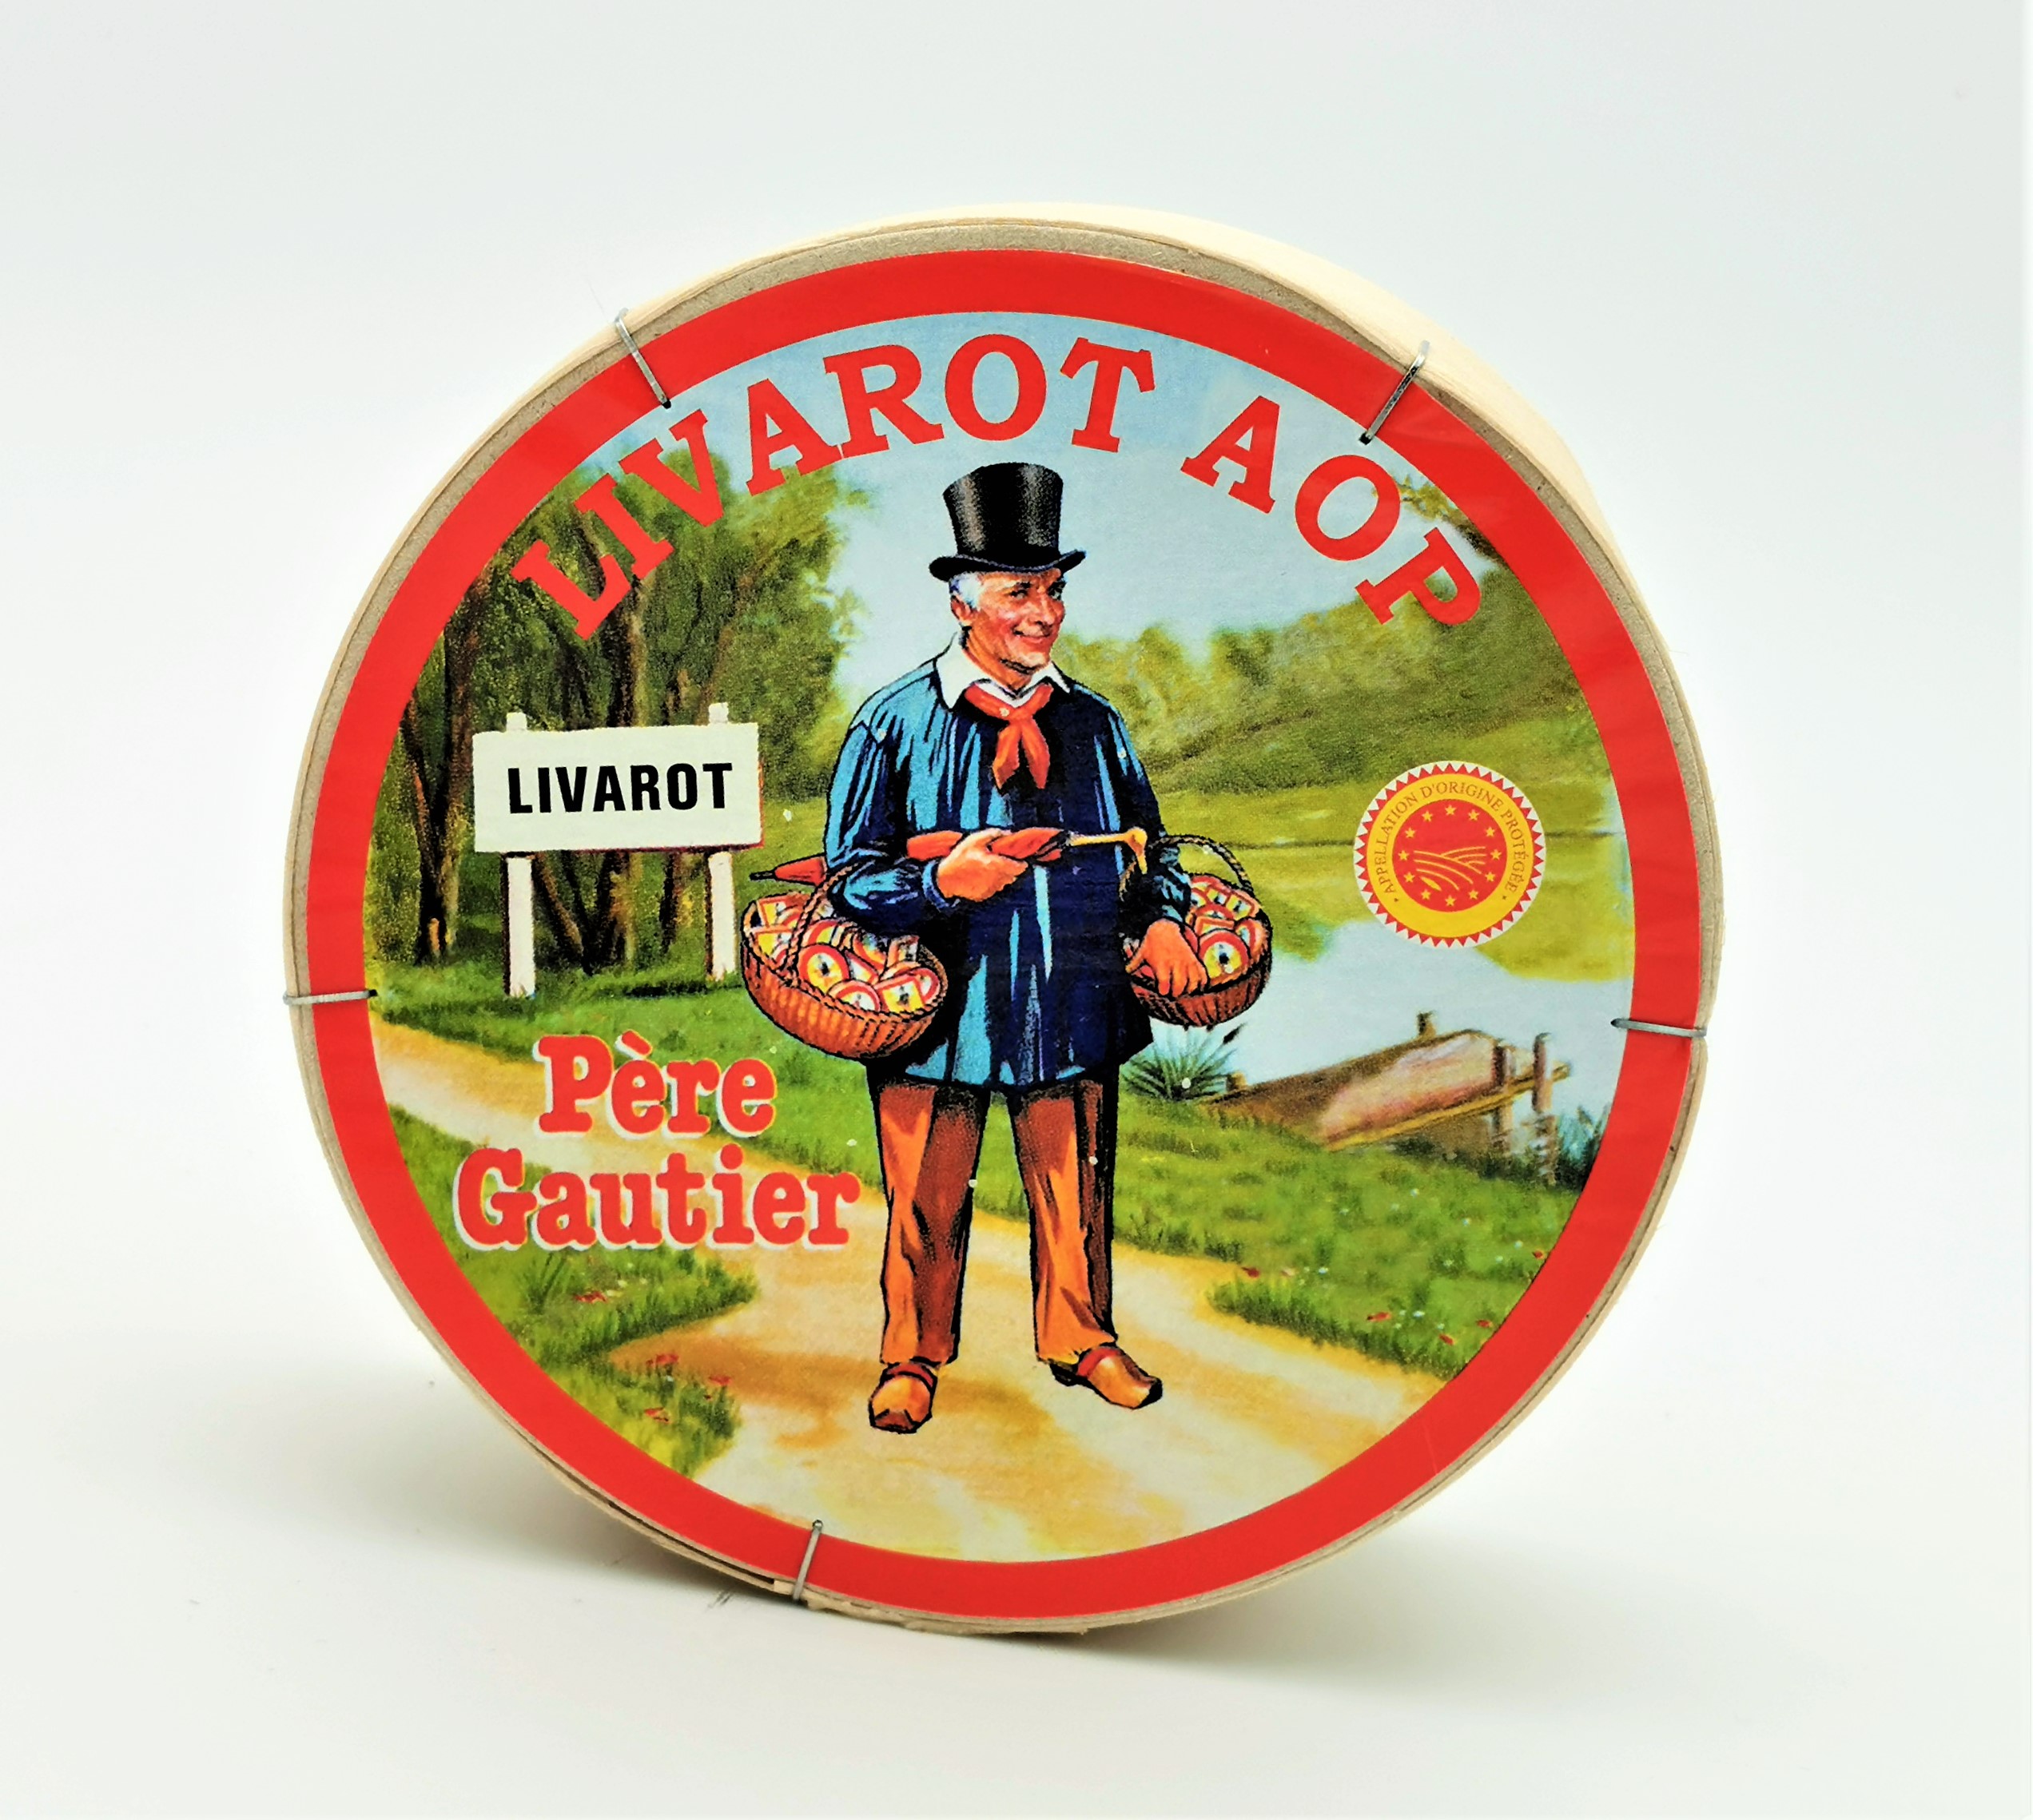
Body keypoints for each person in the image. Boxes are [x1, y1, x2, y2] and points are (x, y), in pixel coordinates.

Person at [825, 461, 1207, 1434]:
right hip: (939, 1013)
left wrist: (1163, 916)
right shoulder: (894, 722)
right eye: (1019, 592)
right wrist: (938, 886)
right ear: (962, 603)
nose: (1044, 613)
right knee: (924, 1196)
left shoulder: (1095, 724)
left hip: (1073, 1001)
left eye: (1053, 590)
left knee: (1076, 1188)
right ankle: (911, 1357)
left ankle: (1083, 1339)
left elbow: (1152, 848)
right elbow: (849, 878)